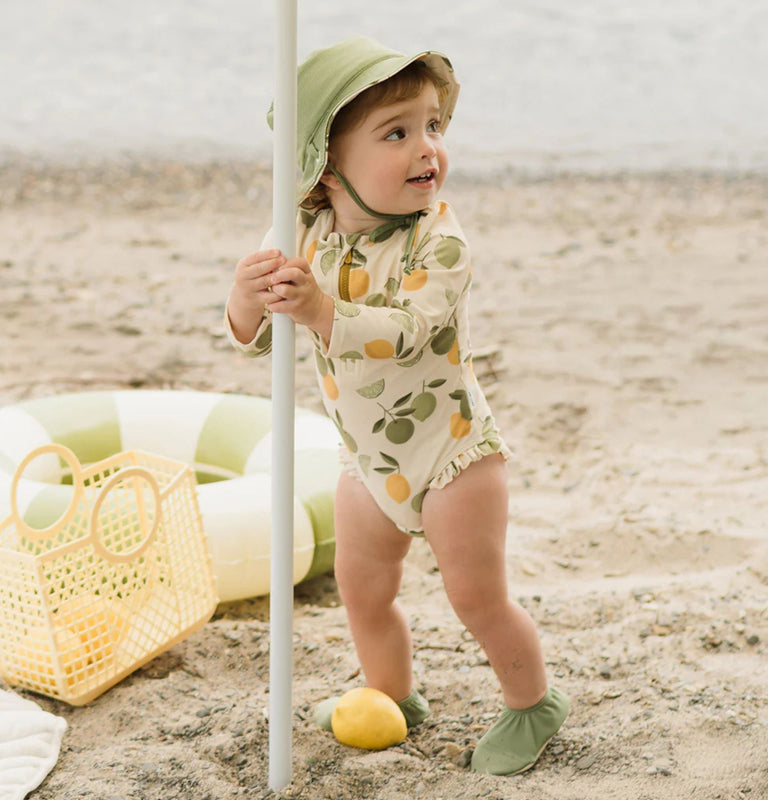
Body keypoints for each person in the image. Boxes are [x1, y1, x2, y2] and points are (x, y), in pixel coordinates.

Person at [224, 36, 569, 776]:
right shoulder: (302, 230)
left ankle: (532, 703)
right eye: (396, 133)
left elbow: (405, 333)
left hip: (452, 453)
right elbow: (255, 339)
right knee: (364, 588)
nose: (427, 149)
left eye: (433, 125)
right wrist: (246, 299)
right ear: (325, 164)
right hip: (369, 458)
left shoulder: (439, 241)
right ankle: (391, 692)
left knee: (475, 596)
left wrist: (320, 310)